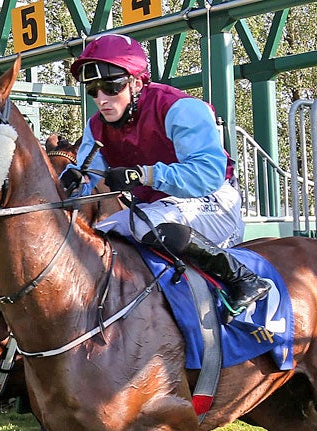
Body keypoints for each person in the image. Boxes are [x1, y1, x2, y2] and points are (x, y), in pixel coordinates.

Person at [61, 33, 270, 312]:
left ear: (136, 82)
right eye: (93, 90)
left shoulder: (180, 108)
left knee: (141, 224)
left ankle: (243, 277)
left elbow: (208, 174)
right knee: (94, 237)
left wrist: (143, 175)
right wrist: (73, 181)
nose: (101, 99)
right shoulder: (96, 126)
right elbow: (87, 173)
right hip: (157, 210)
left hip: (213, 203)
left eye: (110, 87)